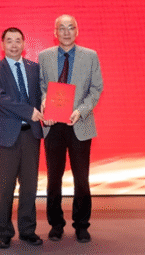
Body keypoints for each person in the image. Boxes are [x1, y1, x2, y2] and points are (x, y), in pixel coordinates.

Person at [39, 15, 103, 243]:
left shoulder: (90, 56)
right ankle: (56, 224)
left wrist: (81, 110)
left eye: (70, 27)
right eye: (61, 28)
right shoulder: (44, 56)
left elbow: (96, 89)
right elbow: (41, 86)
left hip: (80, 124)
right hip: (53, 126)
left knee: (81, 179)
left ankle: (81, 225)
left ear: (77, 31)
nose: (66, 32)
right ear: (55, 32)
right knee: (53, 179)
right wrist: (44, 101)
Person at [0, 27, 45, 249]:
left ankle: (28, 230)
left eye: (17, 40)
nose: (13, 44)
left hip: (31, 135)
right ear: (2, 45)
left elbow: (42, 96)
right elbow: (0, 100)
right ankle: (4, 232)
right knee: (5, 187)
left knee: (30, 186)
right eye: (9, 41)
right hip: (5, 137)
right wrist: (29, 112)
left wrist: (50, 108)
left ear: (24, 44)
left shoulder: (35, 69)